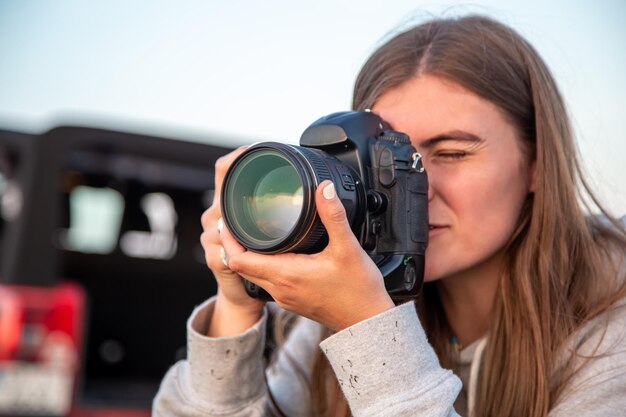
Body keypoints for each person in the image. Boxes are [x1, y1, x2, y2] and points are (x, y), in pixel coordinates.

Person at [153, 14, 626, 417]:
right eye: (390, 161)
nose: (415, 190)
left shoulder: (612, 328)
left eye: (453, 153)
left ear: (538, 166)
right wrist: (238, 305)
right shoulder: (347, 301)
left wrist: (370, 331)